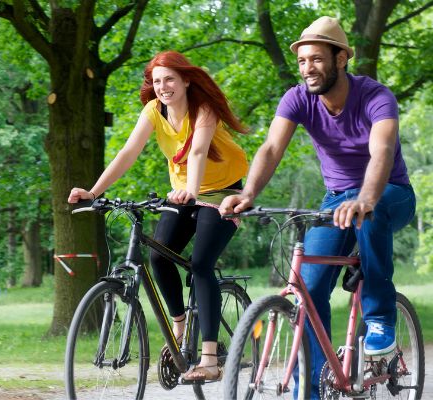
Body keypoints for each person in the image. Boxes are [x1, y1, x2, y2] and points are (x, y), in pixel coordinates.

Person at [219, 16, 415, 397]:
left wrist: (366, 198)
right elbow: (272, 148)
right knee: (308, 290)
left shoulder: (376, 96)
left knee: (369, 215)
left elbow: (382, 152)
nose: (308, 68)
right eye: (302, 61)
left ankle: (379, 322)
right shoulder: (297, 98)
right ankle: (312, 390)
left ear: (340, 58)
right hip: (337, 200)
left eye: (316, 59)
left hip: (389, 192)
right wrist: (249, 194)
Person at [68, 50, 249, 381]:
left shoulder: (203, 108)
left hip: (223, 191)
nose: (163, 86)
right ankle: (179, 329)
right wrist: (94, 192)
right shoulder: (154, 110)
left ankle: (210, 359)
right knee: (158, 255)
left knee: (201, 264)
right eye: (156, 81)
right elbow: (128, 152)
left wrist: (192, 191)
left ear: (185, 80)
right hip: (185, 191)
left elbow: (197, 150)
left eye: (169, 79)